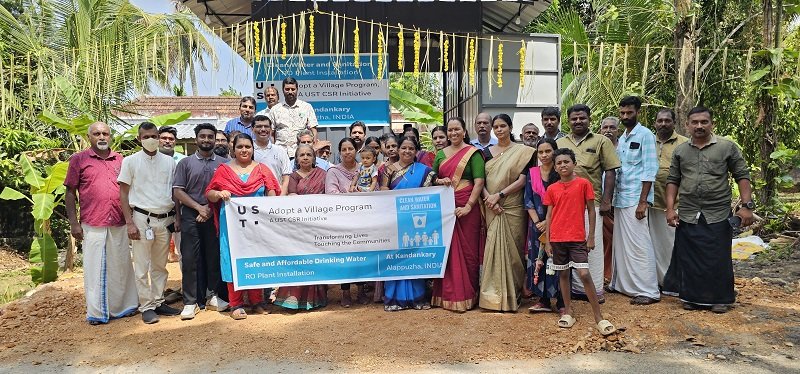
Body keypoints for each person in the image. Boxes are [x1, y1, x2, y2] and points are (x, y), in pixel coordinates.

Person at [663, 106, 754, 313]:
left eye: (704, 122)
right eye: (694, 122)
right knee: (689, 257)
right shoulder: (680, 151)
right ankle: (691, 297)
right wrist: (670, 209)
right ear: (686, 125)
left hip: (718, 212)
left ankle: (720, 299)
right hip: (688, 212)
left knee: (718, 257)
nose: (699, 126)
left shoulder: (726, 147)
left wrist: (747, 207)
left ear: (712, 124)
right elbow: (673, 181)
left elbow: (742, 175)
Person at [65, 122, 137, 325]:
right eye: (97, 133)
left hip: (119, 221)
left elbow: (130, 189)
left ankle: (125, 307)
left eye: (105, 133)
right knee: (94, 268)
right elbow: (70, 192)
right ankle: (97, 313)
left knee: (121, 266)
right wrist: (74, 223)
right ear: (90, 137)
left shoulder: (121, 160)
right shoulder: (79, 160)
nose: (102, 137)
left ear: (111, 136)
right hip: (92, 222)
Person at [206, 133, 281, 320]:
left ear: (253, 149)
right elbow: (209, 193)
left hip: (257, 226)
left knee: (256, 259)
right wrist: (219, 193)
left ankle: (257, 301)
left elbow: (272, 193)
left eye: (248, 146)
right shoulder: (223, 170)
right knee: (232, 260)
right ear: (233, 148)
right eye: (240, 147)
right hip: (232, 227)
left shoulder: (263, 169)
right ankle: (236, 303)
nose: (244, 150)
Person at [543, 148, 616, 336]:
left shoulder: (584, 184)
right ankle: (568, 312)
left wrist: (591, 236)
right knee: (564, 275)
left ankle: (599, 317)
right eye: (559, 163)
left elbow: (591, 210)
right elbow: (549, 215)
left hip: (577, 238)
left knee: (584, 273)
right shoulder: (552, 188)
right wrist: (548, 241)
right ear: (555, 167)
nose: (562, 165)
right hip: (558, 238)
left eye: (566, 161)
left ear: (574, 163)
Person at [118, 122, 180, 324]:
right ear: (139, 138)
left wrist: (177, 217)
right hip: (141, 219)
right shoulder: (130, 162)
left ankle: (159, 300)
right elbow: (124, 193)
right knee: (142, 265)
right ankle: (146, 306)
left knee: (160, 265)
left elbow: (175, 192)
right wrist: (129, 223)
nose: (151, 140)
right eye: (146, 137)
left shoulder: (170, 162)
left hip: (165, 219)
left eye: (154, 136)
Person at [556, 104, 620, 303]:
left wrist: (607, 200)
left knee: (591, 245)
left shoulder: (601, 141)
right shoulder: (560, 142)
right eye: (574, 118)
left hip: (591, 203)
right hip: (564, 204)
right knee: (570, 244)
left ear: (589, 119)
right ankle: (576, 289)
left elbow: (610, 171)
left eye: (582, 118)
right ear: (568, 120)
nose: (578, 121)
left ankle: (596, 289)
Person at [479, 114, 536, 312]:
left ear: (510, 128)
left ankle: (514, 294)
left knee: (515, 251)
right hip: (491, 206)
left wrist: (500, 195)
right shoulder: (485, 153)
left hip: (512, 206)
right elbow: (481, 181)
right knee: (492, 248)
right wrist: (489, 198)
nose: (499, 129)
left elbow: (522, 180)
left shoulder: (524, 152)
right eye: (496, 126)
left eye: (503, 126)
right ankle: (491, 296)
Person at [172, 123, 230, 320]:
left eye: (210, 137)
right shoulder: (185, 163)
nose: (206, 140)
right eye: (202, 136)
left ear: (215, 139)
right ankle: (190, 301)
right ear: (196, 139)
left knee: (214, 257)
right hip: (191, 215)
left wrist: (208, 210)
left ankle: (213, 296)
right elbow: (178, 191)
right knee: (190, 259)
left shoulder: (224, 163)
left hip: (215, 215)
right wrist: (199, 208)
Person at [609, 96, 660, 305]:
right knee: (621, 244)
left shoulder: (646, 135)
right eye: (622, 113)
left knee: (640, 244)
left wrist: (643, 202)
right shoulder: (623, 137)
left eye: (629, 113)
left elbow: (649, 170)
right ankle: (622, 285)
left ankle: (648, 290)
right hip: (621, 197)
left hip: (635, 198)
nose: (625, 116)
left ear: (637, 112)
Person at [432, 118, 485, 312]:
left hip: (467, 207)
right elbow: (433, 178)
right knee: (448, 249)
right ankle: (445, 294)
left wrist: (470, 206)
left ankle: (468, 295)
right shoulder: (440, 154)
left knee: (468, 251)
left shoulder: (473, 153)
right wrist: (440, 180)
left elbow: (479, 182)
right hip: (446, 207)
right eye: (450, 130)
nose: (453, 133)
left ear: (464, 131)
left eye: (457, 129)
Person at [380, 136, 436, 311]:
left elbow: (431, 193)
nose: (407, 151)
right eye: (403, 147)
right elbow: (383, 191)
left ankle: (416, 298)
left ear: (416, 151)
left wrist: (441, 182)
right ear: (398, 149)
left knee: (414, 257)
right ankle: (394, 298)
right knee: (395, 258)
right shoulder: (388, 170)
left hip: (415, 221)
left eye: (411, 148)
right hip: (394, 220)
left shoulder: (425, 171)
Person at [273, 144, 329, 311]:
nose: (305, 157)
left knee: (316, 259)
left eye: (308, 155)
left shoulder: (323, 175)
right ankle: (294, 299)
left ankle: (316, 298)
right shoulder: (293, 176)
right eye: (301, 155)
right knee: (298, 259)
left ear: (314, 158)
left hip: (320, 222)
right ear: (296, 159)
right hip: (299, 225)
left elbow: (328, 196)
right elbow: (292, 195)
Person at [325, 138, 369, 306]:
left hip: (362, 220)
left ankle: (361, 291)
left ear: (356, 151)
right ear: (340, 152)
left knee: (361, 256)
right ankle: (345, 293)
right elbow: (331, 193)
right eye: (344, 149)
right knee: (345, 258)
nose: (348, 152)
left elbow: (374, 190)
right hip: (342, 221)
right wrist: (352, 197)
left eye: (351, 148)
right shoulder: (333, 171)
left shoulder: (365, 169)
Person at [524, 138, 564, 313]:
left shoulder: (561, 173)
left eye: (548, 151)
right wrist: (538, 223)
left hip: (559, 223)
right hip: (536, 227)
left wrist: (548, 222)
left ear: (555, 152)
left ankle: (562, 301)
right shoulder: (532, 173)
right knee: (538, 260)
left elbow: (563, 201)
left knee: (559, 261)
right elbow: (528, 201)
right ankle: (543, 300)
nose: (544, 155)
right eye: (540, 152)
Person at [650, 109, 687, 287]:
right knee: (655, 245)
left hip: (676, 205)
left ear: (674, 123)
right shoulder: (649, 141)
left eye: (667, 120)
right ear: (655, 123)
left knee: (673, 245)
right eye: (660, 121)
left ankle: (676, 282)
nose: (663, 124)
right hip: (651, 203)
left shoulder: (684, 144)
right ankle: (660, 281)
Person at [270, 76, 319, 157]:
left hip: (301, 153)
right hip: (280, 153)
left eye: (293, 89)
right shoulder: (275, 109)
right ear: (283, 90)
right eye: (287, 89)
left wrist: (313, 149)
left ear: (297, 90)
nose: (290, 92)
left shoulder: (306, 107)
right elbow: (271, 134)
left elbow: (313, 130)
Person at [159, 125, 185, 264]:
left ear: (175, 141)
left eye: (171, 138)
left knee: (183, 252)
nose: (167, 141)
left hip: (180, 212)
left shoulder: (183, 161)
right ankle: (158, 287)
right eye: (164, 138)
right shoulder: (150, 159)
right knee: (157, 255)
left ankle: (185, 286)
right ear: (158, 140)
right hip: (158, 213)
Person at [599, 117, 620, 283]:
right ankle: (606, 272)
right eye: (605, 127)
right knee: (604, 240)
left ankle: (618, 274)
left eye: (612, 127)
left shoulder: (624, 148)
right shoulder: (599, 147)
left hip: (621, 201)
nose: (608, 130)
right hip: (602, 201)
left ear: (617, 130)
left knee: (617, 239)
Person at [252, 115, 290, 195]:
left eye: (266, 126)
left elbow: (286, 177)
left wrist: (281, 197)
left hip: (277, 196)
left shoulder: (280, 151)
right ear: (252, 129)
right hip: (254, 196)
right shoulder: (248, 150)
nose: (263, 129)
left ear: (271, 129)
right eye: (259, 126)